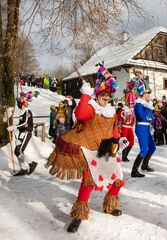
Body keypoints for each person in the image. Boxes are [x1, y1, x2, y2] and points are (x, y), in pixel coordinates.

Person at [45, 64, 126, 233]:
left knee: (117, 180)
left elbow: (114, 130)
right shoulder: (90, 107)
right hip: (90, 152)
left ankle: (109, 206)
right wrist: (85, 96)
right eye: (103, 95)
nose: (106, 98)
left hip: (107, 152)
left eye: (108, 95)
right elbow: (80, 115)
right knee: (88, 183)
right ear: (97, 94)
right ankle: (78, 215)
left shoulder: (111, 112)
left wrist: (119, 140)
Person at [131, 71, 156, 178]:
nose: (149, 95)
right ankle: (134, 171)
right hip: (140, 127)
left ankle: (145, 165)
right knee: (144, 149)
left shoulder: (145, 104)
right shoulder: (138, 104)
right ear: (143, 94)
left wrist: (153, 122)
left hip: (146, 128)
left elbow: (150, 117)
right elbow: (141, 116)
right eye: (148, 93)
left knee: (152, 147)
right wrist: (149, 108)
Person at [7, 91, 38, 176]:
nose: (18, 105)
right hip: (21, 133)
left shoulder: (28, 112)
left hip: (26, 133)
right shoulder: (21, 112)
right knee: (17, 151)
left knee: (19, 151)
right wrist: (14, 127)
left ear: (23, 103)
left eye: (19, 103)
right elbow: (20, 124)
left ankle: (32, 164)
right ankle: (23, 169)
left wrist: (14, 127)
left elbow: (25, 124)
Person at [119, 82, 136, 162]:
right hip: (124, 127)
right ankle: (124, 156)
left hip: (130, 128)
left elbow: (134, 119)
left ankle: (126, 155)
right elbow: (119, 119)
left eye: (132, 104)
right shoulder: (123, 110)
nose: (131, 105)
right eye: (129, 104)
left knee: (131, 142)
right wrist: (119, 128)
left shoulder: (133, 110)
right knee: (124, 141)